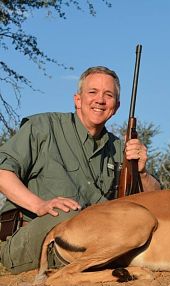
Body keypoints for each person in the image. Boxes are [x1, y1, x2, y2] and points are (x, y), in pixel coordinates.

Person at [0, 66, 161, 274]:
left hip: (90, 241)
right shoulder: (43, 127)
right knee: (68, 214)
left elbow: (155, 200)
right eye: (92, 92)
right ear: (78, 99)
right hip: (30, 243)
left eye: (108, 95)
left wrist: (142, 173)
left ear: (116, 106)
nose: (100, 100)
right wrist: (40, 205)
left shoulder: (120, 149)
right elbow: (3, 171)